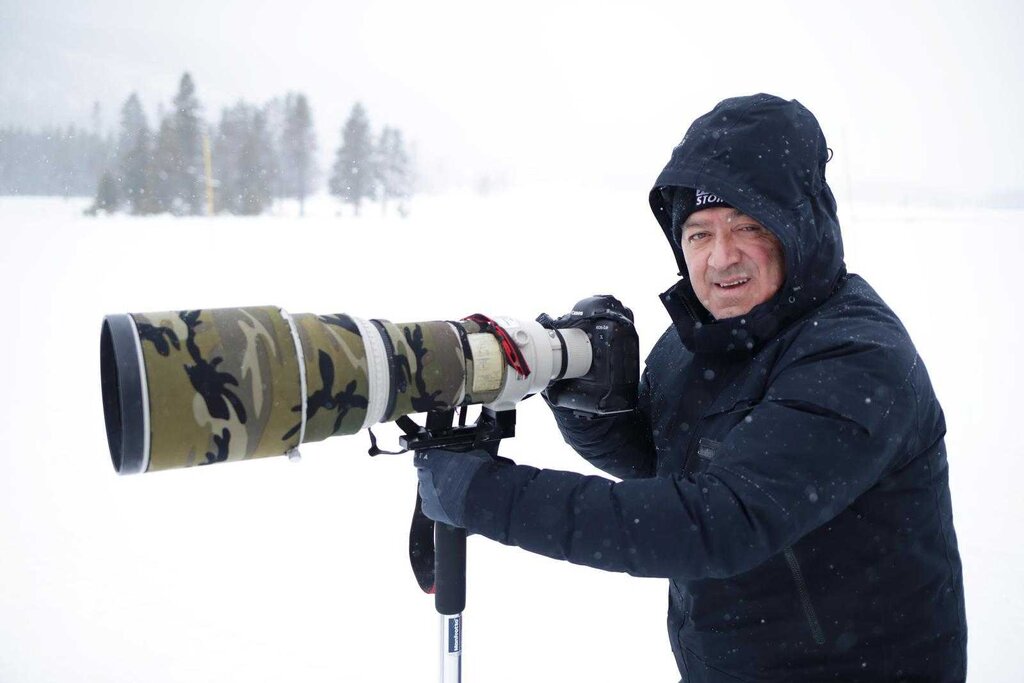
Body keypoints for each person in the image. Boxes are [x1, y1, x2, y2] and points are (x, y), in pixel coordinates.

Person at [415, 94, 967, 681]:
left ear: (799, 225)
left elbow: (717, 522)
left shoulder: (857, 355)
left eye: (748, 226)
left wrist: (485, 495)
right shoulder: (700, 338)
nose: (721, 257)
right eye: (700, 233)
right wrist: (595, 408)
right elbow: (665, 466)